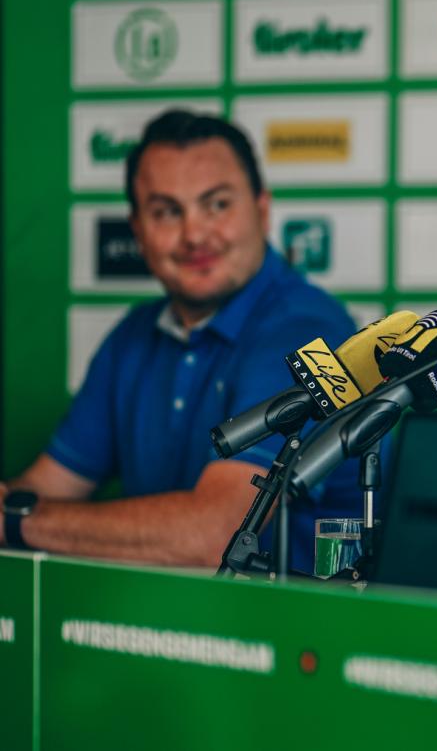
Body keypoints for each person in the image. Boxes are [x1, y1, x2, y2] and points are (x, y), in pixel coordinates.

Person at [0, 110, 359, 573]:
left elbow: (219, 536)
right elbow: (49, 486)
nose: (194, 234)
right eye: (167, 211)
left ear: (262, 208)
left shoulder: (312, 331)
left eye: (217, 205)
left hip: (296, 635)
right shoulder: (134, 334)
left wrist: (17, 522)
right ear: (138, 231)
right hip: (157, 625)